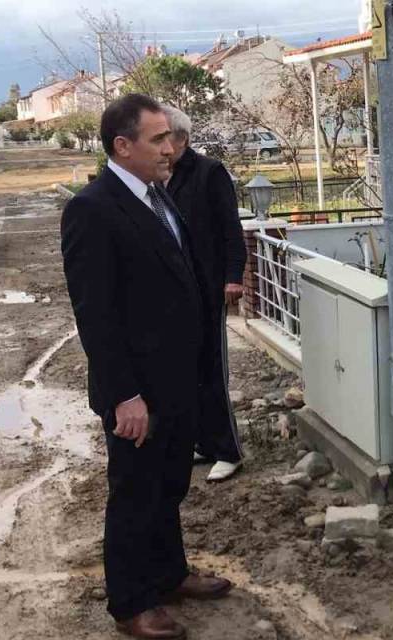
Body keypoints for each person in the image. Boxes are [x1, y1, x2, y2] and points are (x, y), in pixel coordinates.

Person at [61, 93, 232, 639]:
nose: (171, 148)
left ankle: (169, 573)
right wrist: (123, 395)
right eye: (158, 139)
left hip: (179, 378)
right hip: (138, 390)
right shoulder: (93, 208)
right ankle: (132, 603)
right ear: (122, 145)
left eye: (171, 137)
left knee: (169, 485)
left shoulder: (158, 196)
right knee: (135, 494)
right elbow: (97, 314)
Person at [163, 105, 247, 483]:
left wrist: (233, 277)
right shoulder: (159, 175)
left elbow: (231, 228)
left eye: (165, 137)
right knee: (185, 372)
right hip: (175, 292)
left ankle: (229, 451)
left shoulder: (209, 173)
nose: (161, 145)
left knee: (213, 372)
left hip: (209, 287)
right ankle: (204, 442)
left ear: (181, 138)